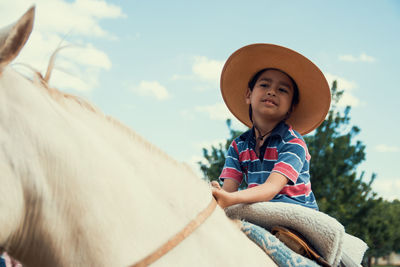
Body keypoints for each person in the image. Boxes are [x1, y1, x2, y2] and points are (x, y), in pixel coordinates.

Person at [211, 43, 331, 210]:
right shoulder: (238, 146)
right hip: (258, 208)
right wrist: (219, 194)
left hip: (293, 210)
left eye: (282, 90)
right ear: (248, 95)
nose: (272, 91)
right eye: (264, 85)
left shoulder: (293, 143)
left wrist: (229, 198)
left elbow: (271, 188)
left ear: (291, 107)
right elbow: (228, 190)